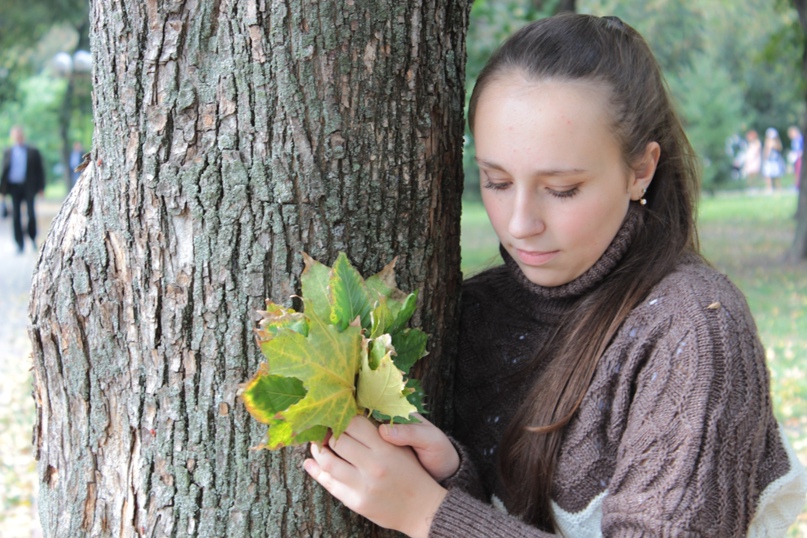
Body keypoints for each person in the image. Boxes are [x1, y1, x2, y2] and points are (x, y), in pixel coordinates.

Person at [302, 14, 807, 537]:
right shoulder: (473, 310)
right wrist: (454, 477)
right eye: (496, 182)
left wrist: (429, 515)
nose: (520, 224)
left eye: (562, 189)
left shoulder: (693, 331)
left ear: (641, 170)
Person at [0, 125, 45, 253]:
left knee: (31, 214)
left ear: (23, 136)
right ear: (13, 137)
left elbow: (40, 170)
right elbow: (4, 171)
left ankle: (32, 238)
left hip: (29, 187)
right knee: (16, 216)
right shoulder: (8, 151)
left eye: (20, 135)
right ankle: (19, 243)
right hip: (14, 187)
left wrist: (41, 187)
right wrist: (2, 191)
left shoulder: (33, 151)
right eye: (16, 135)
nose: (18, 137)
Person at [762, 127, 786, 191]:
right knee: (768, 174)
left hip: (775, 160)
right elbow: (766, 151)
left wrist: (774, 145)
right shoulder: (767, 142)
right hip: (769, 160)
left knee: (777, 174)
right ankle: (769, 188)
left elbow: (780, 148)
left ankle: (778, 187)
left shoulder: (777, 142)